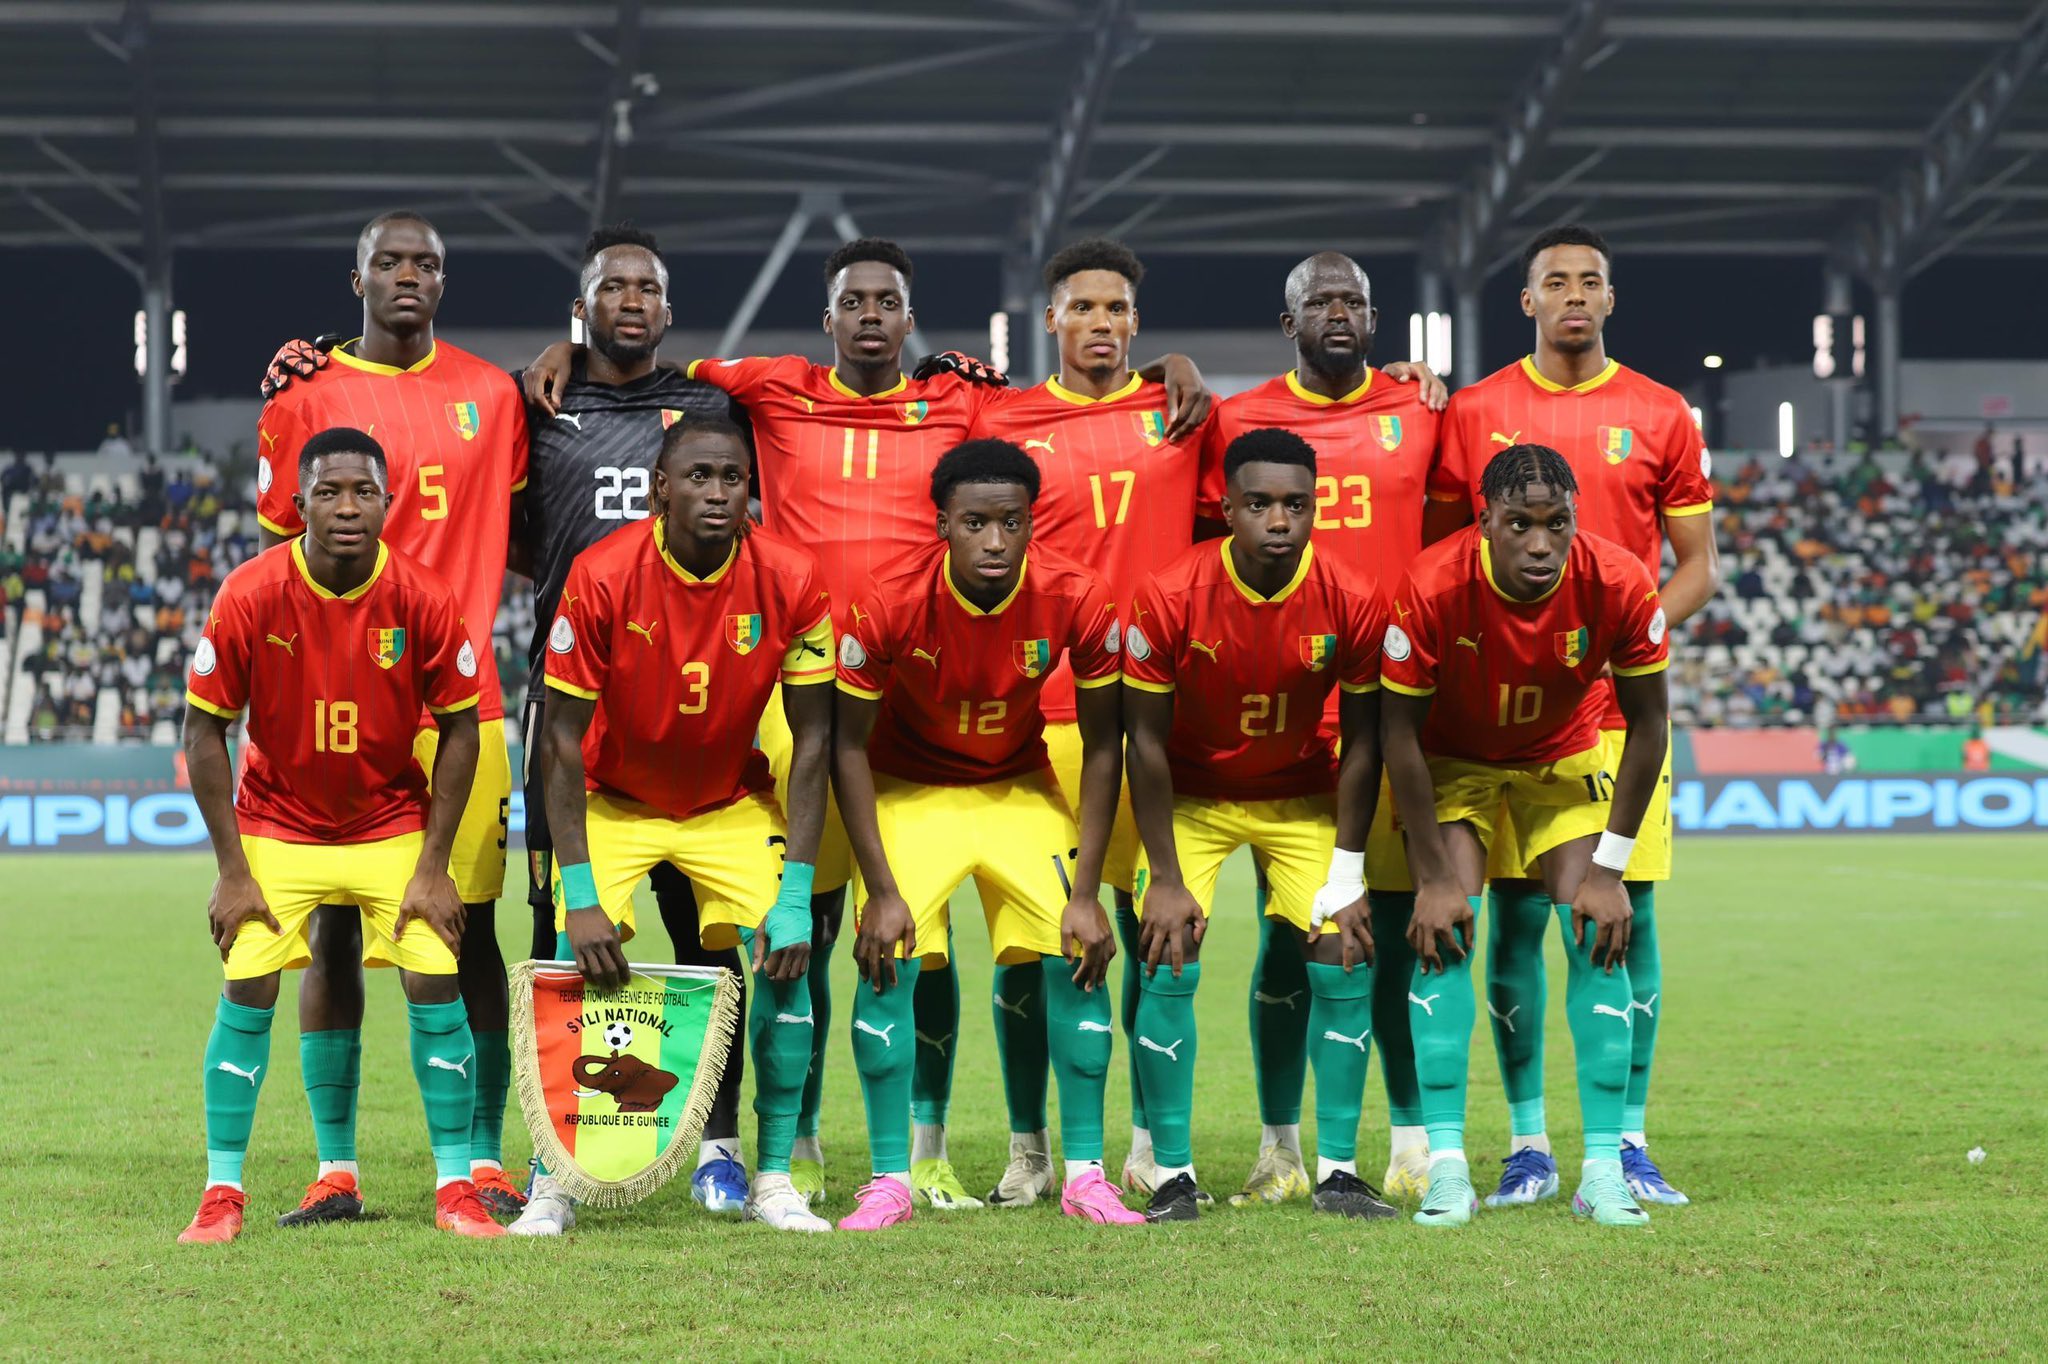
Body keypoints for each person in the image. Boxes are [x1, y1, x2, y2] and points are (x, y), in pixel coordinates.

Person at [524, 237, 1206, 1211]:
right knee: (816, 922)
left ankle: (921, 1148)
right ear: (830, 314)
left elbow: (1059, 406)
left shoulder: (964, 404)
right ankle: (785, 1146)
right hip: (789, 698)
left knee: (895, 929)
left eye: (891, 300)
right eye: (857, 300)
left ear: (911, 315)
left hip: (928, 710)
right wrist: (566, 352)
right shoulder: (773, 387)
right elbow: (656, 362)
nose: (874, 315)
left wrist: (1164, 370)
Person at [1427, 224, 1718, 1209]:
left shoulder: (1660, 411)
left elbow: (1697, 567)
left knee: (1619, 920)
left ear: (1608, 295)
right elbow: (1443, 556)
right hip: (1498, 714)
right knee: (1507, 922)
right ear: (1525, 301)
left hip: (1607, 711)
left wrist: (1606, 641)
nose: (1572, 296)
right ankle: (1525, 1142)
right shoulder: (1471, 410)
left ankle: (1626, 1138)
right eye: (1553, 281)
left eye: (1589, 280)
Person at [252, 211, 531, 1220]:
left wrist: (560, 354)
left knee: (469, 931)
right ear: (356, 275)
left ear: (445, 283)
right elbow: (285, 555)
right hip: (339, 706)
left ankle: (487, 1157)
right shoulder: (307, 393)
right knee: (330, 929)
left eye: (427, 263)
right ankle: (338, 1168)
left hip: (463, 703)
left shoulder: (492, 395)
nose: (409, 275)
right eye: (390, 260)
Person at [513, 413, 835, 1235]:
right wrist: (579, 894)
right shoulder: (602, 572)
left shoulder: (793, 577)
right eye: (698, 476)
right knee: (567, 962)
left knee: (787, 955)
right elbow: (558, 738)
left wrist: (795, 891)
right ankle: (551, 1180)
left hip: (725, 802)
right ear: (659, 489)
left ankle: (769, 1177)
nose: (718, 492)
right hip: (615, 797)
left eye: (732, 477)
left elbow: (814, 740)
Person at [177, 427, 498, 1243]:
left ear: (389, 503)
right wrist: (231, 870)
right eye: (329, 492)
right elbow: (203, 729)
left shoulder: (423, 597)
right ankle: (222, 1194)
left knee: (433, 973)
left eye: (363, 492)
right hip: (279, 824)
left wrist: (434, 866)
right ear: (298, 504)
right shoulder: (250, 593)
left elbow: (463, 730)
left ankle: (456, 1187)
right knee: (248, 981)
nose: (347, 507)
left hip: (390, 820)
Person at [831, 439, 1134, 1230]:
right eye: (975, 523)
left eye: (1011, 522)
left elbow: (1106, 745)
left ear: (1033, 523)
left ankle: (1087, 1176)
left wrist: (1089, 891)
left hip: (1017, 786)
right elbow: (846, 748)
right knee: (885, 955)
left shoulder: (1076, 592)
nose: (995, 542)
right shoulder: (887, 597)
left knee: (1080, 951)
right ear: (943, 525)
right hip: (908, 789)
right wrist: (883, 891)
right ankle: (890, 1178)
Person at [1200, 250, 1448, 1206]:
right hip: (1282, 713)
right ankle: (1278, 1147)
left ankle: (1415, 1139)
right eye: (1319, 301)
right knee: (1285, 938)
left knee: (1385, 931)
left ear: (1377, 323)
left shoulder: (1419, 410)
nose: (1337, 313)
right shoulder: (1235, 421)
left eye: (1354, 301)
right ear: (1287, 319)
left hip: (1392, 712)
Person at [1382, 443, 1670, 1229]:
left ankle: (1603, 1170)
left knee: (1596, 927)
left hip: (1561, 755)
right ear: (1486, 523)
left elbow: (1649, 725)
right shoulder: (1432, 584)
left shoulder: (1618, 581)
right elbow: (1398, 734)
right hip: (1455, 758)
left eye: (1557, 524)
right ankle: (1447, 1170)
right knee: (1444, 932)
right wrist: (1436, 875)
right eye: (1520, 525)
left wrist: (1609, 869)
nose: (1540, 544)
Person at [1123, 427, 1394, 1222]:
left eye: (1296, 505)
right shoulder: (1171, 594)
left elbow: (1365, 738)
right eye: (1260, 504)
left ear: (1317, 509)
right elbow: (1142, 739)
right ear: (1227, 508)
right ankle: (1169, 1172)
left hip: (1300, 794)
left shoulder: (1350, 595)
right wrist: (1167, 879)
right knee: (1167, 953)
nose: (1280, 520)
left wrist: (1346, 873)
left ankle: (1338, 1171)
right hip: (1194, 797)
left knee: (1346, 952)